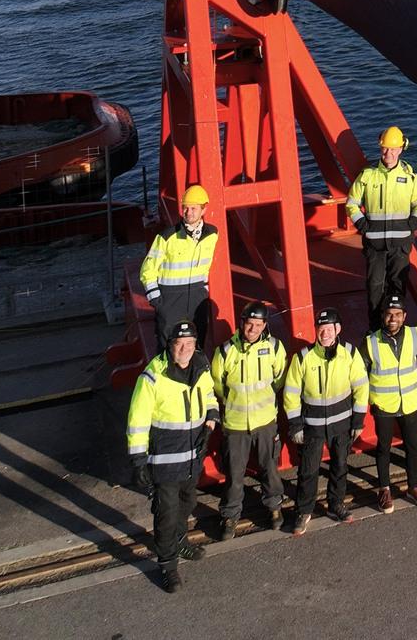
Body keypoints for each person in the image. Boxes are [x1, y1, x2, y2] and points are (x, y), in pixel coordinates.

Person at [125, 319, 217, 593]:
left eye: (190, 344)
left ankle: (179, 541)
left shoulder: (200, 367)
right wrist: (138, 460)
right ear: (170, 346)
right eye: (180, 344)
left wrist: (211, 420)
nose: (185, 349)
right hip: (165, 460)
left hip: (192, 456)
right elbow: (137, 421)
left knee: (187, 503)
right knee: (166, 513)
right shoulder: (153, 377)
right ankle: (167, 566)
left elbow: (210, 395)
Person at [280, 308, 368, 534]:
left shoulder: (349, 353)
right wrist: (296, 424)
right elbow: (290, 393)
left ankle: (336, 504)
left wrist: (358, 421)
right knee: (308, 471)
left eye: (329, 329)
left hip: (342, 424)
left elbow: (361, 386)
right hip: (313, 426)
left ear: (338, 329)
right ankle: (303, 510)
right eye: (321, 329)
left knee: (339, 466)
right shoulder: (303, 357)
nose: (325, 333)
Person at [208, 301, 287, 538]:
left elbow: (279, 378)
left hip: (265, 421)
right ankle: (230, 516)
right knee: (234, 474)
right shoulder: (224, 352)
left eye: (258, 324)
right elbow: (217, 385)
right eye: (249, 324)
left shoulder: (274, 347)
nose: (253, 329)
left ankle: (274, 508)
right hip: (236, 424)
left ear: (264, 325)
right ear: (242, 323)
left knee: (269, 468)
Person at [345, 126, 417, 326]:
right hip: (375, 245)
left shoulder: (409, 177)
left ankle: (395, 326)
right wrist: (362, 224)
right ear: (380, 148)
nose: (388, 153)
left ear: (401, 149)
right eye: (385, 149)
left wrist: (414, 223)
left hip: (400, 245)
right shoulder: (367, 176)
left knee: (397, 286)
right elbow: (351, 203)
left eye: (393, 149)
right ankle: (375, 327)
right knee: (375, 286)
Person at [363, 290, 417, 511]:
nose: (393, 319)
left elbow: (416, 360)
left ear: (404, 316)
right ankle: (384, 490)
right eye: (389, 314)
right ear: (383, 316)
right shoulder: (370, 342)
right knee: (384, 448)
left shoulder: (415, 335)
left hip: (409, 401)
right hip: (384, 404)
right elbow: (363, 374)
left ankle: (414, 486)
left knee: (413, 446)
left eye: (397, 314)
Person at [139, 184, 218, 346]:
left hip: (198, 299)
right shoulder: (167, 237)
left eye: (193, 208)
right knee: (168, 346)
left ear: (204, 210)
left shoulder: (213, 234)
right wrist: (158, 302)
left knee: (197, 343)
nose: (188, 213)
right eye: (185, 208)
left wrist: (204, 291)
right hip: (170, 300)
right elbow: (147, 270)